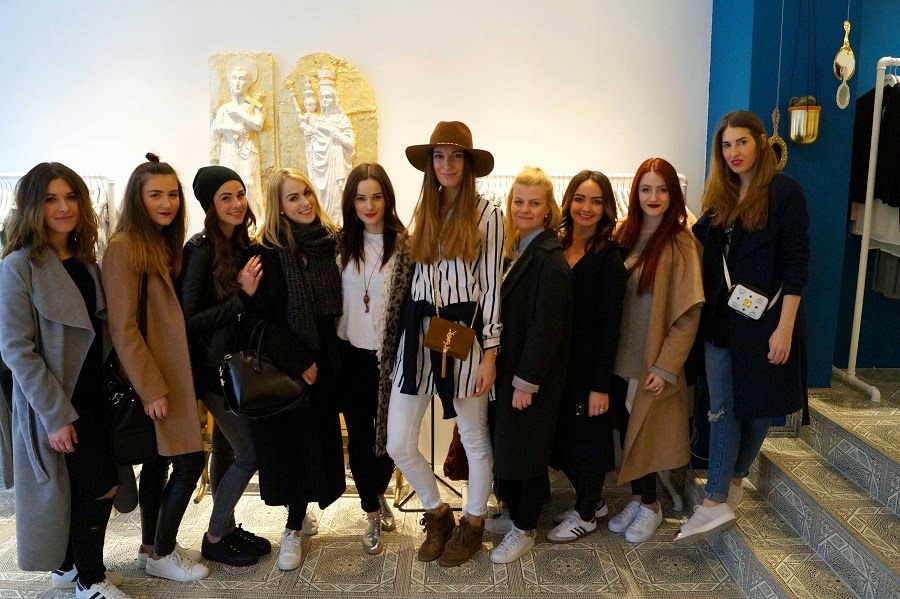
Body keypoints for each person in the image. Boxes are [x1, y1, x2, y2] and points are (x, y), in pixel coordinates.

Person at [677, 110, 809, 543]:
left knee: (758, 408)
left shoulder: (784, 192)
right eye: (726, 145)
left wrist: (785, 328)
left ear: (761, 142)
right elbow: (701, 240)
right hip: (721, 320)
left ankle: (732, 479)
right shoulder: (723, 194)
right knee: (722, 407)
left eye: (742, 142)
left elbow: (796, 265)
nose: (733, 152)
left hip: (766, 320)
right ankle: (715, 499)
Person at [0, 163, 130, 599]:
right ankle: (90, 581)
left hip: (94, 395)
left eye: (71, 197)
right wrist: (55, 415)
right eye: (51, 199)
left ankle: (70, 566)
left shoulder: (86, 263)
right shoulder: (18, 266)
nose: (63, 207)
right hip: (57, 400)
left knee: (85, 486)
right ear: (31, 207)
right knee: (99, 486)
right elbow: (16, 349)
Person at [387, 121, 504, 567]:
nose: (447, 164)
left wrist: (490, 353)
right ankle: (438, 514)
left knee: (473, 436)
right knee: (399, 442)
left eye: (456, 156)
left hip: (464, 334)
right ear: (430, 163)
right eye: (439, 155)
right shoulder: (424, 209)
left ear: (468, 164)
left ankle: (473, 522)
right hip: (419, 334)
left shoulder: (488, 214)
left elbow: (491, 289)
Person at [101, 153, 208, 582]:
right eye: (155, 195)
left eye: (173, 194)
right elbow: (123, 328)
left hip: (170, 373)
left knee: (160, 463)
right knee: (189, 462)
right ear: (137, 198)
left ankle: (151, 547)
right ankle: (163, 553)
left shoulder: (159, 244)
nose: (167, 203)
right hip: (155, 378)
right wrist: (151, 388)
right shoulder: (123, 248)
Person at [246, 168, 346, 571]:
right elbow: (258, 318)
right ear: (279, 207)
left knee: (317, 445)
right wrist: (300, 361)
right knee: (293, 446)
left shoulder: (331, 241)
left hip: (328, 360)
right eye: (293, 197)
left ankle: (306, 514)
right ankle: (292, 527)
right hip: (290, 365)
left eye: (306, 192)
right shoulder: (266, 252)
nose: (305, 202)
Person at [174, 165, 271, 567]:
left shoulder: (243, 245)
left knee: (228, 450)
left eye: (240, 194)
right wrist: (240, 297)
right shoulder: (200, 250)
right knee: (250, 453)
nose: (236, 204)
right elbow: (187, 319)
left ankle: (227, 528)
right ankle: (215, 535)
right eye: (225, 198)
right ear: (210, 205)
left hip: (236, 369)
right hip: (212, 370)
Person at [609, 158, 704, 543]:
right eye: (646, 189)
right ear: (635, 193)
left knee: (644, 432)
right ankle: (637, 499)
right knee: (626, 429)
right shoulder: (623, 233)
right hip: (618, 356)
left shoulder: (681, 242)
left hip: (651, 359)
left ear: (673, 194)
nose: (653, 197)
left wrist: (665, 366)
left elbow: (689, 313)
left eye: (662, 189)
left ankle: (651, 506)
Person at [487, 167, 572, 564]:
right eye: (518, 201)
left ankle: (525, 528)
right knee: (512, 445)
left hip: (530, 376)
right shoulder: (518, 248)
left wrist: (527, 380)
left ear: (547, 209)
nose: (524, 209)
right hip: (510, 369)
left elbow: (547, 327)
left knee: (527, 449)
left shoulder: (550, 259)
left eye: (533, 203)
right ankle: (515, 514)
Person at [335, 163, 412, 554]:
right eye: (361, 198)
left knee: (393, 440)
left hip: (392, 358)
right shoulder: (339, 244)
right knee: (362, 440)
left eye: (376, 197)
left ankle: (379, 491)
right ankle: (370, 512)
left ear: (387, 199)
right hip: (350, 355)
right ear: (351, 202)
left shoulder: (405, 245)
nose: (369, 206)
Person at [547, 170, 626, 543]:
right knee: (562, 438)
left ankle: (586, 514)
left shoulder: (610, 257)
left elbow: (611, 325)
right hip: (558, 364)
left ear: (606, 207)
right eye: (580, 198)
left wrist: (600, 385)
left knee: (589, 439)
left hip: (590, 365)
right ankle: (591, 501)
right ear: (568, 202)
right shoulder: (556, 245)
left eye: (596, 201)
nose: (587, 208)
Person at [212, 57, 266, 220]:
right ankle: (232, 219)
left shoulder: (256, 106)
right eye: (234, 78)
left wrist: (241, 115)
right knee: (230, 182)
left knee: (249, 181)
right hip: (230, 147)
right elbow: (216, 128)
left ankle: (254, 219)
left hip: (248, 146)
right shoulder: (225, 108)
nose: (237, 83)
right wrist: (232, 128)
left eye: (241, 79)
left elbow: (258, 125)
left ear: (249, 83)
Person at [308, 68, 355, 224]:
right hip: (320, 167)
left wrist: (337, 135)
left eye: (328, 96)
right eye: (322, 97)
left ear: (334, 99)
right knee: (321, 192)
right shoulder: (317, 120)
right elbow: (311, 144)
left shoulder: (342, 120)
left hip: (336, 164)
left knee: (336, 191)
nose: (325, 100)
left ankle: (338, 222)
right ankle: (323, 222)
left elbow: (350, 143)